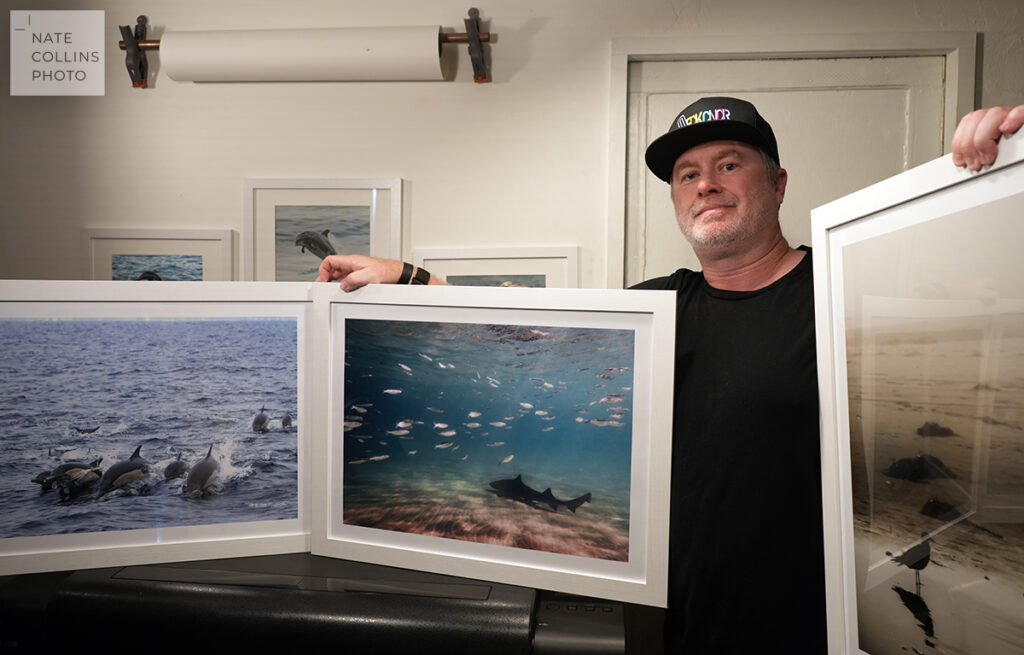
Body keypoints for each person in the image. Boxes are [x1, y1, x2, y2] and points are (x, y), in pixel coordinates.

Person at [317, 100, 1023, 652]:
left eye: (729, 163)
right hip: (677, 623)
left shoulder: (846, 290)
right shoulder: (657, 305)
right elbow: (525, 326)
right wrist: (408, 279)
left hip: (822, 629)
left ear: (777, 183)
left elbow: (985, 299)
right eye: (687, 174)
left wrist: (1000, 163)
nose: (705, 184)